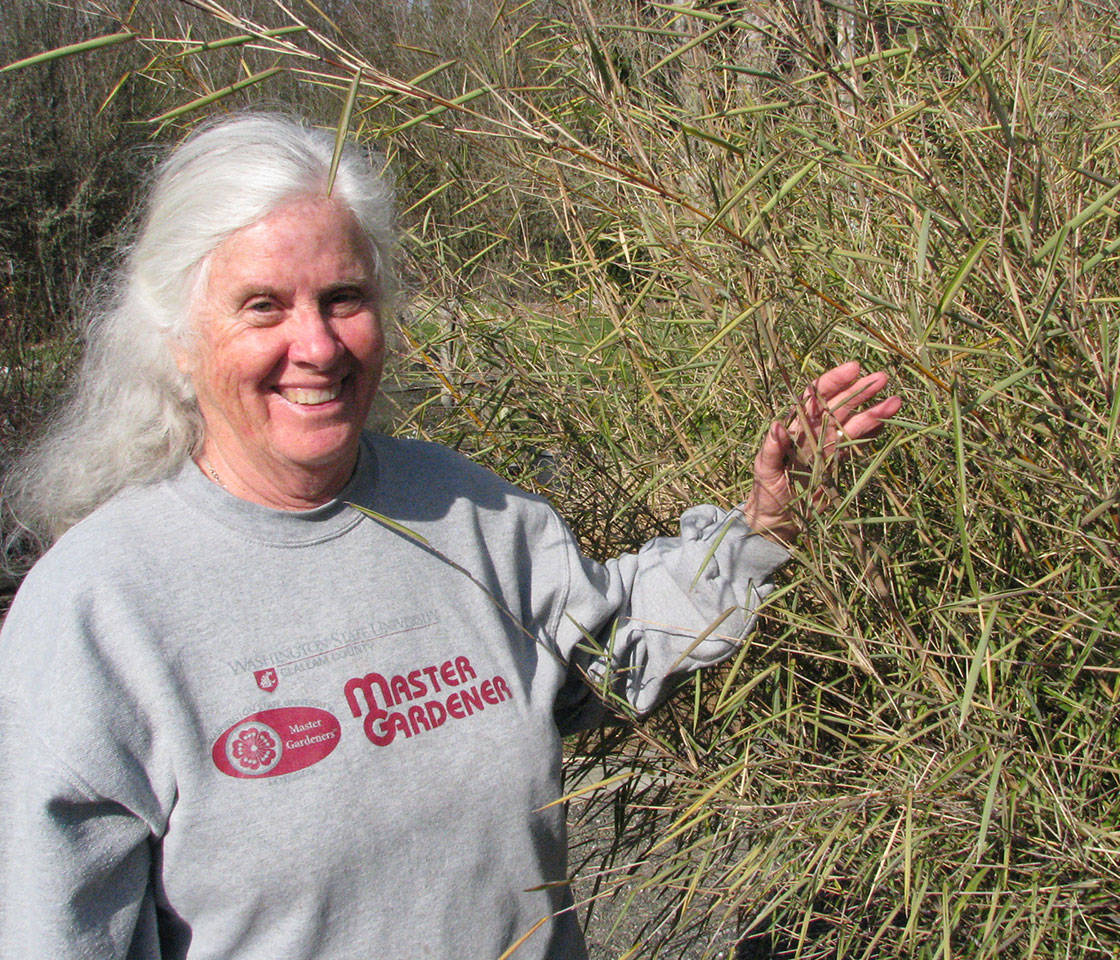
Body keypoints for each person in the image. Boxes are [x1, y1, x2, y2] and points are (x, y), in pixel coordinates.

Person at [0, 114, 901, 959]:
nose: (316, 346)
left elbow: (618, 641)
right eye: (263, 306)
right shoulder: (97, 609)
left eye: (343, 297)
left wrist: (764, 529)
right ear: (177, 338)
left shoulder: (467, 511)